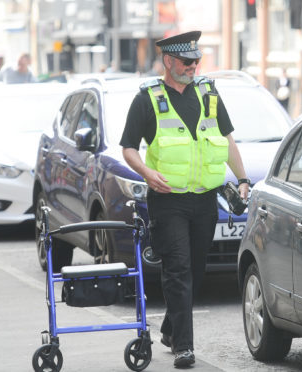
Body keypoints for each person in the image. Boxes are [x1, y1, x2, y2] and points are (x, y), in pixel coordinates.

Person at [120, 30, 249, 369]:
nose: (193, 66)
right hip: (168, 200)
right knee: (178, 269)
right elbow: (128, 148)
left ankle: (169, 327)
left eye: (197, 61)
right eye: (186, 61)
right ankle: (184, 347)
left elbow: (226, 138)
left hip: (205, 200)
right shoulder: (147, 99)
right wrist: (148, 174)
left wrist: (244, 178)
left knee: (194, 269)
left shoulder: (208, 93)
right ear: (168, 61)